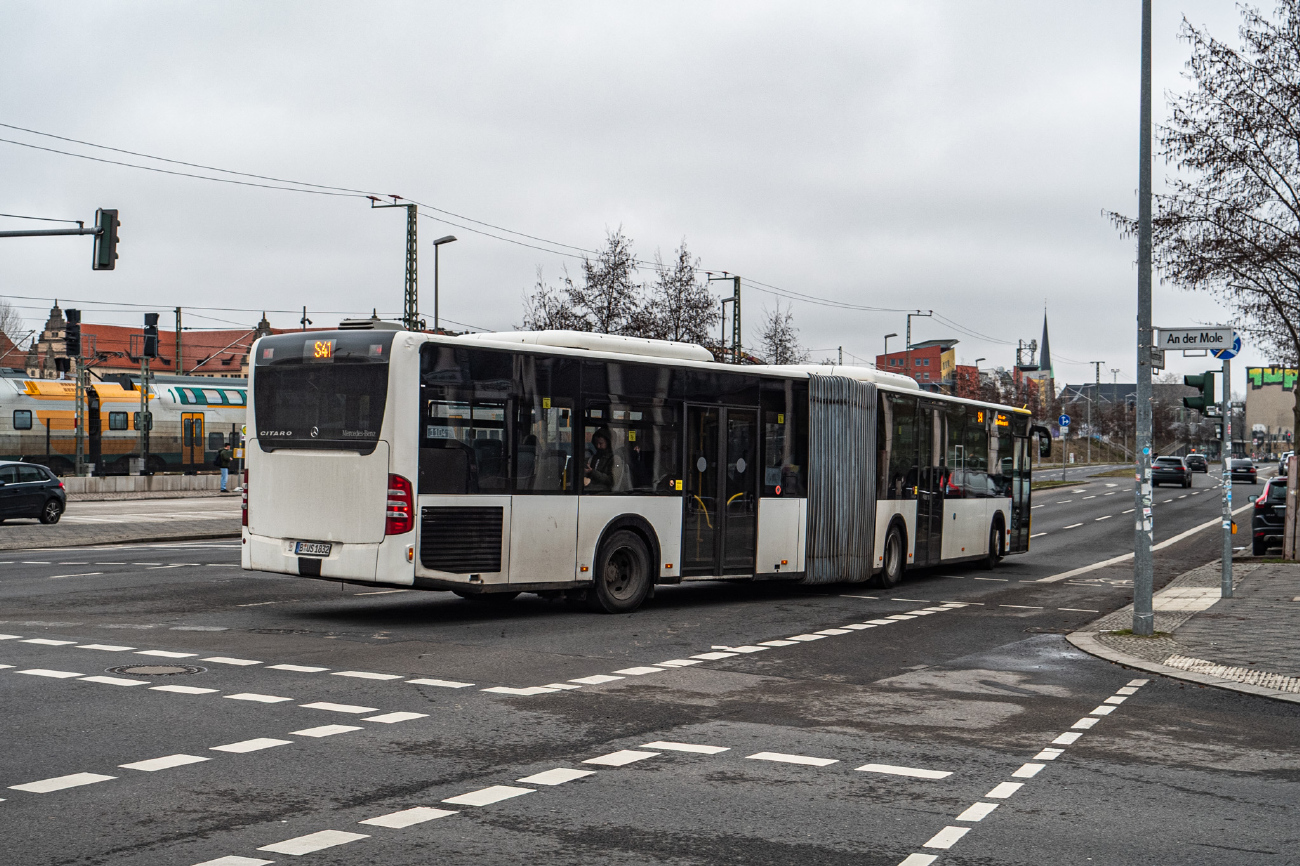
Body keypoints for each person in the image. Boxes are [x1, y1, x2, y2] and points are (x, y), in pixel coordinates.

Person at [584, 428, 614, 492]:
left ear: (608, 443)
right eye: (596, 443)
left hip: (606, 492)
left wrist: (592, 472)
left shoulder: (614, 458)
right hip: (593, 489)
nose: (598, 446)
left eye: (601, 443)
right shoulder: (595, 457)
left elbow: (611, 480)